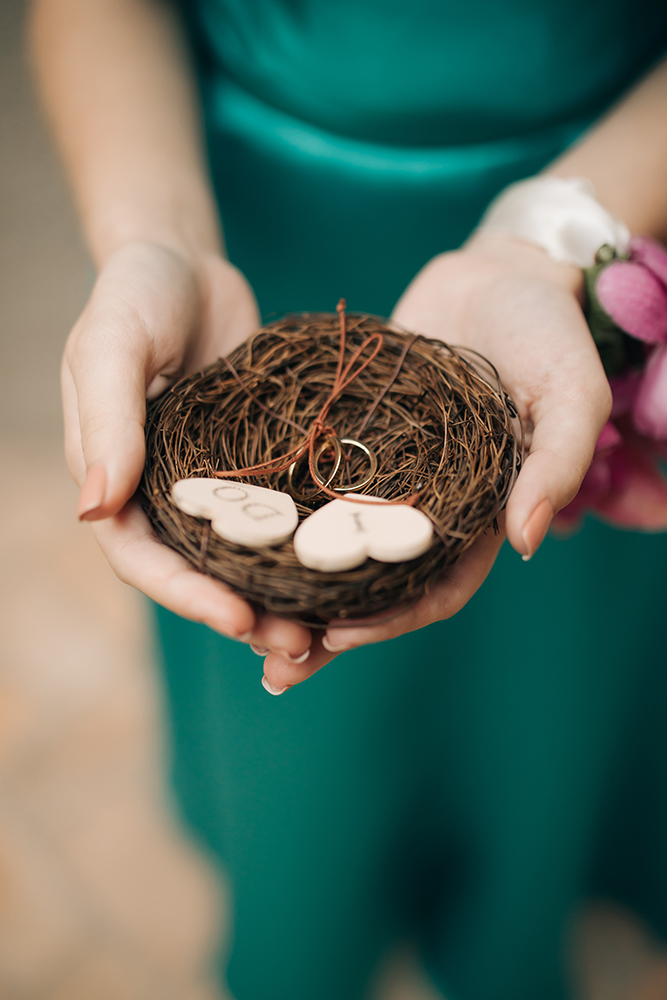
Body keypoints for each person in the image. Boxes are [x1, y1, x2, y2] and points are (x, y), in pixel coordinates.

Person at [31, 1, 667, 997]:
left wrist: (550, 235)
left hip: (577, 243)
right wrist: (156, 239)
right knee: (296, 735)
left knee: (540, 663)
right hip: (238, 236)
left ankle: (517, 907)